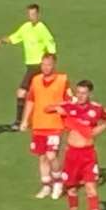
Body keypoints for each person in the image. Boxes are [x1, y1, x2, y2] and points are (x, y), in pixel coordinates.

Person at [55, 80, 106, 210]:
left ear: (90, 94)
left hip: (88, 154)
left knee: (91, 188)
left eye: (83, 93)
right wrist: (60, 108)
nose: (80, 96)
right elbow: (48, 108)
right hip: (72, 154)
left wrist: (101, 128)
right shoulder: (69, 107)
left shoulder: (96, 108)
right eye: (78, 92)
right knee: (72, 188)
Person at [0, 3, 58, 130]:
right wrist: (1, 41)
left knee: (22, 92)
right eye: (30, 14)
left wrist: (48, 64)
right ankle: (33, 120)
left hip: (39, 66)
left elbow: (51, 46)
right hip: (30, 66)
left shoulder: (42, 28)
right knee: (36, 94)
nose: (32, 17)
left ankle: (19, 122)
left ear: (39, 15)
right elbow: (14, 38)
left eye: (34, 14)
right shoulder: (25, 27)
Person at [21, 53, 71, 200]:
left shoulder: (62, 80)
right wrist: (25, 120)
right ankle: (46, 185)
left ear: (54, 65)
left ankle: (57, 182)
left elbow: (70, 100)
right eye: (43, 65)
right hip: (38, 124)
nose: (45, 67)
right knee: (42, 157)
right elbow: (31, 101)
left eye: (48, 65)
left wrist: (56, 107)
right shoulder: (36, 80)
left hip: (55, 125)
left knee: (51, 155)